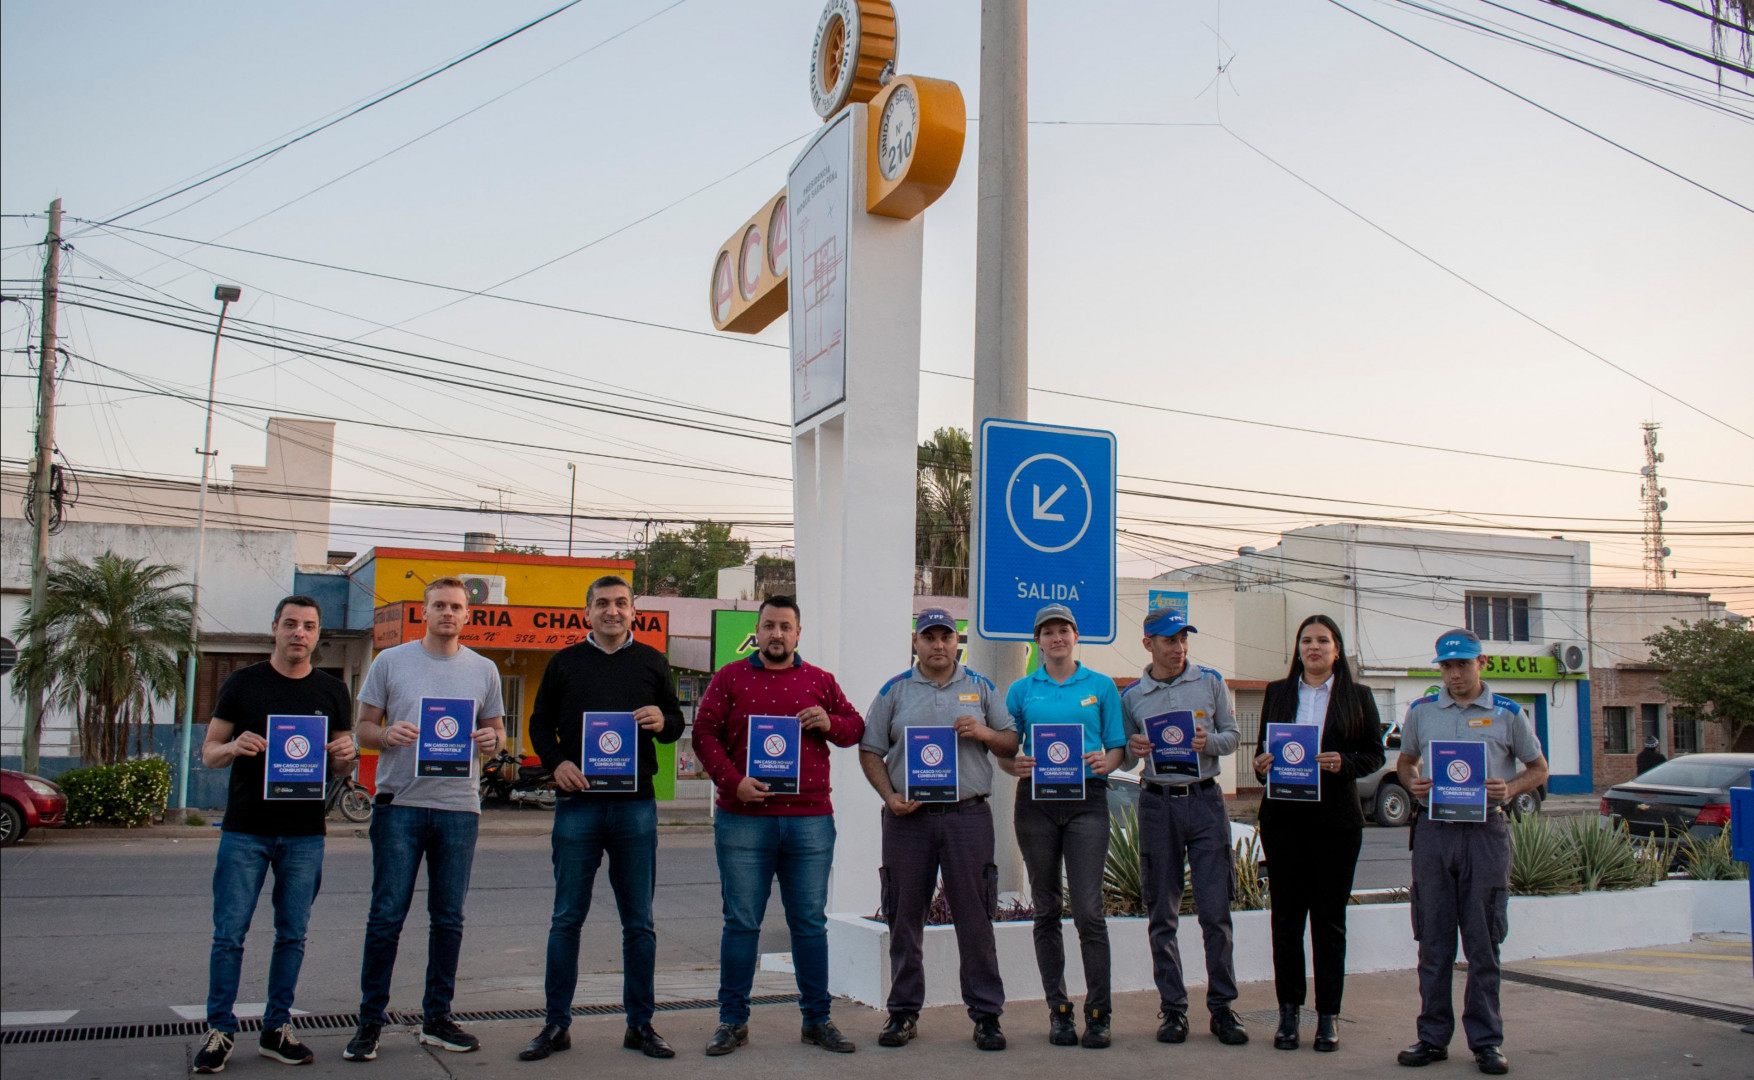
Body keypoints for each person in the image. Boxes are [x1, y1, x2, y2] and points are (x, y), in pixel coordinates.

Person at [518, 576, 686, 1062]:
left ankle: (641, 1025)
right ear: (586, 612)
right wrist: (557, 763)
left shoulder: (653, 661)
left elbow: (674, 725)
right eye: (602, 604)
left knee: (639, 922)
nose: (611, 611)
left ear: (634, 611)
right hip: (579, 806)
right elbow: (537, 724)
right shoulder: (564, 663)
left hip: (635, 805)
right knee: (566, 918)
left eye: (620, 603)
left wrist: (663, 721)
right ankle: (555, 1025)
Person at [690, 595, 866, 1056]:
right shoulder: (730, 677)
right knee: (741, 922)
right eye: (769, 626)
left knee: (808, 924)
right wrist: (733, 783)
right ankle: (732, 1021)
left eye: (785, 627)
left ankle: (817, 1020)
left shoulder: (820, 681)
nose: (777, 634)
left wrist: (829, 721)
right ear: (758, 630)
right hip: (744, 819)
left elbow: (855, 728)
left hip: (809, 820)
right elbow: (703, 733)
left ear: (798, 633)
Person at [344, 577, 506, 1062]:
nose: (448, 614)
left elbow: (497, 731)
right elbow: (364, 729)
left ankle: (437, 1018)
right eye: (439, 605)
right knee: (386, 918)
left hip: (459, 809)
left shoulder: (484, 670)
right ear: (424, 611)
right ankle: (369, 1023)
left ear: (468, 615)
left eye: (457, 607)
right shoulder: (390, 661)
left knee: (448, 919)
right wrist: (387, 734)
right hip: (401, 806)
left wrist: (490, 742)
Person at [192, 596, 357, 1074]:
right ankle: (220, 1031)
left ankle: (275, 1027)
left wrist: (347, 753)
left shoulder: (332, 691)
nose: (298, 633)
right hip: (246, 830)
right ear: (275, 629)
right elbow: (208, 753)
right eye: (290, 624)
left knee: (293, 934)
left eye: (308, 626)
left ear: (317, 634)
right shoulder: (242, 685)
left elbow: (341, 762)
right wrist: (234, 745)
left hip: (305, 834)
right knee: (230, 935)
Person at [859, 607, 1019, 1052]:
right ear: (916, 642)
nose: (938, 645)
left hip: (967, 816)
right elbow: (870, 750)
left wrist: (985, 733)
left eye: (945, 636)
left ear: (956, 641)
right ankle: (904, 1013)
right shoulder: (894, 691)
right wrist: (889, 796)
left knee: (976, 918)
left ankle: (987, 1016)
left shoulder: (982, 687)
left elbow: (1010, 741)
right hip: (908, 820)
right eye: (929, 637)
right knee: (904, 918)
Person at [1394, 629, 1548, 1076]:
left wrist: (1510, 787)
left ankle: (1486, 1041)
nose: (1455, 674)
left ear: (1482, 664)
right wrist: (1412, 780)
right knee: (1434, 942)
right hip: (1435, 832)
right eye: (1447, 666)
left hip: (1484, 833)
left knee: (1483, 942)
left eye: (1463, 664)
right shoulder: (1422, 711)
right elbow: (1405, 761)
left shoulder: (1507, 713)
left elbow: (1537, 769)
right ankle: (1432, 1037)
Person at [1250, 614, 1385, 1053]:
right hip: (1284, 821)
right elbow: (1262, 752)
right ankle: (1288, 1014)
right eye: (1306, 640)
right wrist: (1261, 764)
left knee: (1329, 923)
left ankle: (1328, 1017)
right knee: (1286, 921)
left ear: (1337, 649)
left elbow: (1374, 755)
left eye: (1323, 641)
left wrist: (1343, 763)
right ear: (1298, 649)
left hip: (1336, 825)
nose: (1314, 648)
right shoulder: (1278, 692)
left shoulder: (1358, 696)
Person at [1120, 607, 1249, 1048]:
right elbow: (1128, 753)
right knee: (1162, 914)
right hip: (1158, 804)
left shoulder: (1210, 681)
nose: (1178, 648)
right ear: (1148, 644)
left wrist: (1206, 742)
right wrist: (1135, 747)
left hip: (1206, 801)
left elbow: (1232, 736)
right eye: (1169, 640)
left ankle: (1223, 1009)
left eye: (1182, 639)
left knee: (1216, 912)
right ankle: (1173, 1010)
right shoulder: (1133, 696)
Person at [999, 603, 1125, 1049]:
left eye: (1064, 630)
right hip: (1035, 804)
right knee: (1047, 908)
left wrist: (1105, 762)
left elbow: (1117, 750)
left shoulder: (1101, 686)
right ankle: (1059, 1011)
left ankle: (1099, 1012)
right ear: (1038, 640)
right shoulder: (1020, 690)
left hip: (1086, 802)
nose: (1056, 638)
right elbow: (1005, 749)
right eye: (1048, 632)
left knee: (1089, 911)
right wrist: (1012, 762)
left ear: (1076, 636)